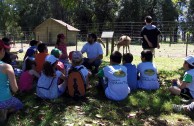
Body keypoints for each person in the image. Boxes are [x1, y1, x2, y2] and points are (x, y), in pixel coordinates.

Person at [0, 40, 23, 122]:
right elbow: (15, 89)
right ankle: (7, 110)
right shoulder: (6, 66)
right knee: (19, 105)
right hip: (4, 100)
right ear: (2, 50)